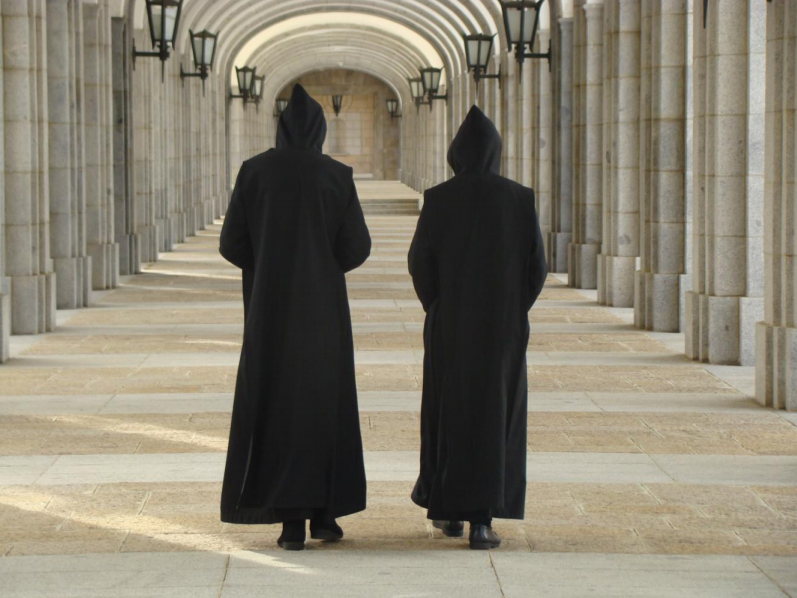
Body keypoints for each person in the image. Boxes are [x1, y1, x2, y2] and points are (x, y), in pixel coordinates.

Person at [219, 84, 371, 551]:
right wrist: (321, 266)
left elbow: (231, 244)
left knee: (276, 400)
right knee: (324, 402)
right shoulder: (337, 175)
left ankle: (289, 522)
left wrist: (265, 262)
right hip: (323, 312)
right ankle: (325, 515)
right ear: (320, 132)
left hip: (269, 309)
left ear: (281, 129)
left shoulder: (254, 172)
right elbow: (357, 248)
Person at [408, 105, 548, 550]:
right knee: (496, 415)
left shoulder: (438, 197)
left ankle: (448, 509)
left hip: (451, 326)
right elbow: (537, 268)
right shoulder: (519, 198)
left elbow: (419, 263)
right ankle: (483, 522)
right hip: (502, 328)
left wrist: (439, 306)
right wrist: (511, 308)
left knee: (449, 413)